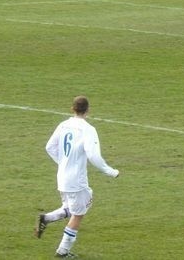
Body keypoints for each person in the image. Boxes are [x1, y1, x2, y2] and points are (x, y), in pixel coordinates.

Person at [35, 95, 120, 258]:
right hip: (76, 180)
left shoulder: (63, 125)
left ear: (72, 108)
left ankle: (45, 218)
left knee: (70, 208)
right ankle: (63, 251)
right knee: (78, 213)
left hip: (62, 177)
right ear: (88, 110)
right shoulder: (88, 130)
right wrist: (111, 171)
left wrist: (63, 162)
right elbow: (93, 155)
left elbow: (49, 147)